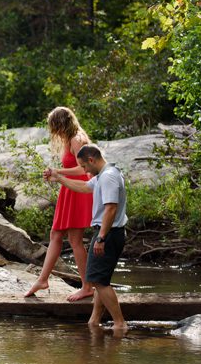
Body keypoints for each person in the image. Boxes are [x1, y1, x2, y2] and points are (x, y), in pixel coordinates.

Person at [49, 143, 129, 332]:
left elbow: (111, 208)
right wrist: (59, 178)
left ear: (91, 160)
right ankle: (94, 320)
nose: (84, 170)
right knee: (99, 279)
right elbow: (84, 187)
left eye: (84, 166)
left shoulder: (108, 177)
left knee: (98, 281)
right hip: (110, 232)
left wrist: (101, 238)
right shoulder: (104, 174)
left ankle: (120, 323)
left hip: (107, 233)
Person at [24, 107, 94, 301]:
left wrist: (58, 173)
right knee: (56, 234)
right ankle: (43, 279)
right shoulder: (68, 137)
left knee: (75, 241)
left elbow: (85, 169)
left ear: (62, 124)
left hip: (78, 191)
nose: (54, 131)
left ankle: (87, 286)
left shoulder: (76, 139)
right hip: (68, 190)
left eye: (55, 126)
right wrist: (57, 173)